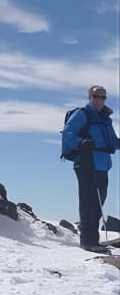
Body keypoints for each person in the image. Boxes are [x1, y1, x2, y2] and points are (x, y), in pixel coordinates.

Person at [62, 85, 119, 254]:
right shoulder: (83, 113)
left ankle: (93, 239)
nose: (99, 100)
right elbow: (68, 133)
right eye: (96, 96)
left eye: (103, 97)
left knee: (99, 202)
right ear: (90, 97)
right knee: (89, 201)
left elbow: (113, 142)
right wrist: (80, 143)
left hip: (102, 164)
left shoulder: (105, 119)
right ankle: (88, 240)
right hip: (86, 163)